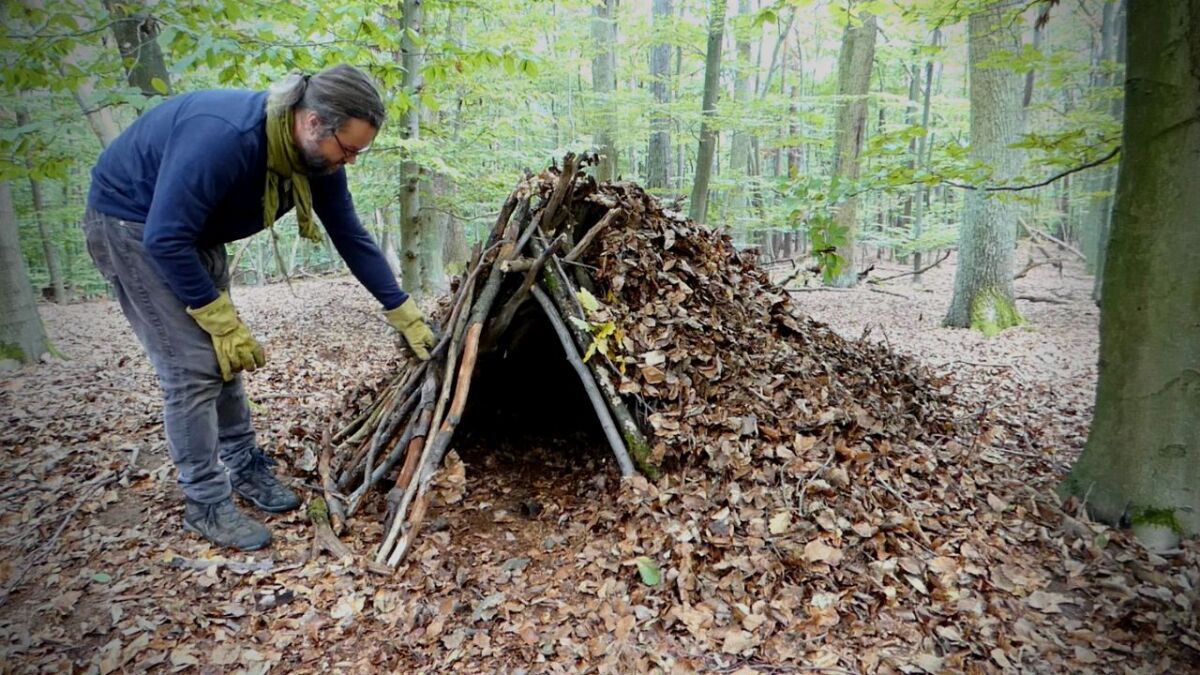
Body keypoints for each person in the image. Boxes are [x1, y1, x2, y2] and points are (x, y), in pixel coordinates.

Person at [83, 65, 435, 551]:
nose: (350, 160)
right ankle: (205, 501)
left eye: (359, 150)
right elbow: (165, 235)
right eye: (348, 147)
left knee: (228, 362)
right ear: (312, 122)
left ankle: (245, 466)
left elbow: (349, 234)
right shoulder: (226, 138)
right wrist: (217, 318)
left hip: (192, 235)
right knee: (193, 367)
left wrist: (400, 308)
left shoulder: (315, 161)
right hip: (135, 228)